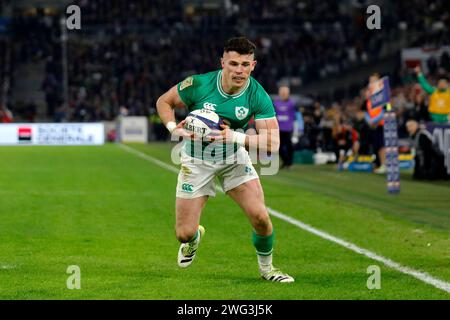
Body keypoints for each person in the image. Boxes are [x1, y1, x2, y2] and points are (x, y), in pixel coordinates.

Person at [156, 37, 294, 283]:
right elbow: (164, 102)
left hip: (233, 158)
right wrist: (171, 127)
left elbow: (273, 143)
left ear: (253, 65)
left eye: (245, 64)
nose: (239, 70)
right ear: (223, 63)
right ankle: (194, 237)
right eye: (233, 64)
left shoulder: (257, 95)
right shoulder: (199, 84)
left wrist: (235, 137)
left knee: (261, 217)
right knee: (183, 234)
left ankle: (268, 270)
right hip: (196, 160)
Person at [362, 73, 386, 174]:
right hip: (373, 125)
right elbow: (366, 111)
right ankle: (379, 164)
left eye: (374, 80)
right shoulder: (370, 96)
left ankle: (384, 165)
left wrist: (375, 120)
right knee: (376, 145)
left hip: (381, 124)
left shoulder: (382, 94)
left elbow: (385, 110)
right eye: (370, 81)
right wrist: (370, 121)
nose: (371, 83)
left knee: (381, 146)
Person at [273, 85, 298, 169]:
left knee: (289, 146)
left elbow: (297, 116)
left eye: (285, 92)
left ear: (288, 93)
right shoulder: (275, 103)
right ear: (279, 93)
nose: (283, 93)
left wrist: (297, 127)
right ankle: (286, 161)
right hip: (278, 128)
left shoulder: (292, 104)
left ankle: (289, 163)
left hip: (288, 128)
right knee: (278, 146)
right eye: (282, 92)